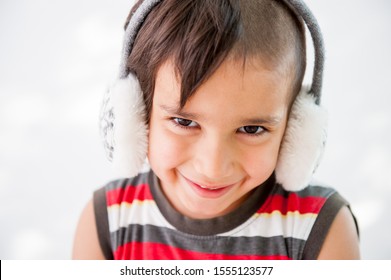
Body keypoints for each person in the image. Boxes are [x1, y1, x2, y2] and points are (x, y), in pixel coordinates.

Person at [72, 0, 360, 259]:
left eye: (251, 128)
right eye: (184, 122)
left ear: (297, 130)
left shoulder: (321, 228)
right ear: (134, 114)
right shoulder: (107, 221)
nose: (213, 167)